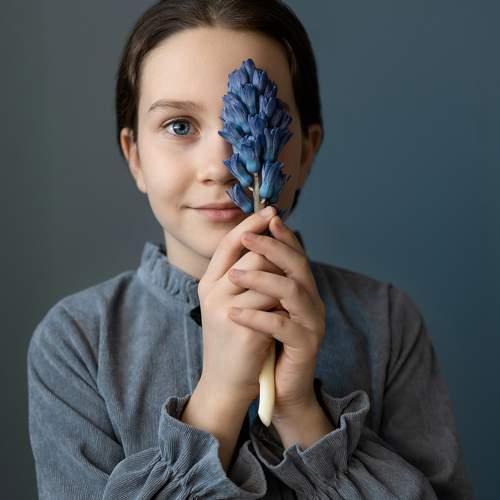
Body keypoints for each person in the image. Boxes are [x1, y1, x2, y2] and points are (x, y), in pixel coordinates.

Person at [27, 1, 473, 498]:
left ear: (306, 150)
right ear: (135, 157)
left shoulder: (386, 321)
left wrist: (299, 411)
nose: (222, 166)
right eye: (180, 126)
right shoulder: (77, 343)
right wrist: (219, 394)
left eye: (257, 125)